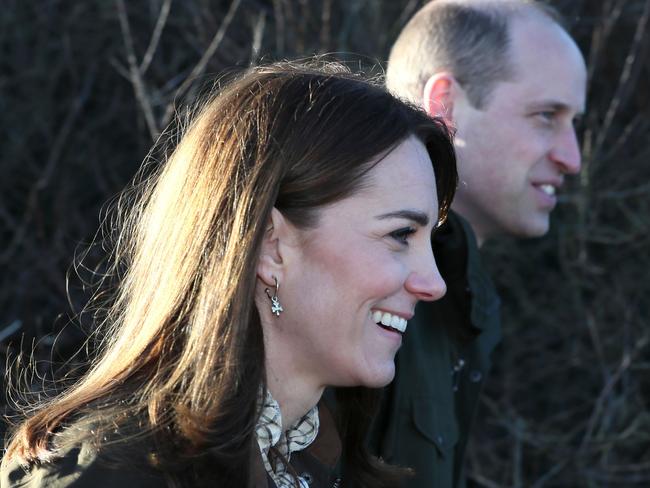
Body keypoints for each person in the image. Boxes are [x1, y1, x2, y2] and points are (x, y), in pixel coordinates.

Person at [1, 61, 458, 488]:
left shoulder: (318, 460)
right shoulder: (117, 472)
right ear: (270, 246)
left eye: (429, 243)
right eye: (400, 235)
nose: (433, 283)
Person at [369, 1, 587, 487]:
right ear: (445, 104)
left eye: (575, 123)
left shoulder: (466, 296)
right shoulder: (357, 283)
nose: (572, 158)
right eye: (547, 115)